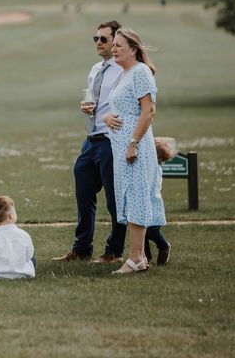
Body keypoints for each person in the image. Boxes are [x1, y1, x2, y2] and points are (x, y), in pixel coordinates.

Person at [53, 21, 127, 264]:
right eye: (95, 38)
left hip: (111, 140)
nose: (98, 42)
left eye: (104, 39)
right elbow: (94, 101)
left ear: (116, 42)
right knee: (83, 191)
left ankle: (114, 251)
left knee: (114, 199)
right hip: (91, 138)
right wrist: (87, 107)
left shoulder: (125, 69)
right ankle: (82, 248)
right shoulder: (96, 68)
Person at [103, 28, 166, 275]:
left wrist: (132, 143)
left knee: (137, 197)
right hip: (121, 146)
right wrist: (108, 117)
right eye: (114, 45)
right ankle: (138, 256)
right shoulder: (124, 73)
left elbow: (148, 111)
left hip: (135, 147)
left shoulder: (140, 71)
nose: (114, 49)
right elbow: (121, 106)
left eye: (119, 45)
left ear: (133, 49)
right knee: (129, 199)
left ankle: (135, 258)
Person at [0, 196, 36, 280]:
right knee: (33, 259)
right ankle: (22, 271)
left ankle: (2, 272)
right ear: (11, 215)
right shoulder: (24, 235)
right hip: (24, 274)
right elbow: (29, 256)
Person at [144, 136, 175, 265]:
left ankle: (164, 246)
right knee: (140, 231)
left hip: (154, 205)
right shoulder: (146, 167)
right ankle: (146, 257)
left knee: (151, 231)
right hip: (144, 203)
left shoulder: (156, 169)